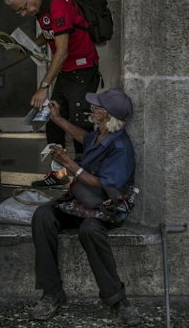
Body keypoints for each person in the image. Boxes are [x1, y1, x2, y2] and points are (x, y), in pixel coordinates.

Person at [30, 88, 140, 326]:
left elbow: (102, 184)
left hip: (104, 208)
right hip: (81, 202)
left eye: (97, 107)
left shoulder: (120, 147)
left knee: (90, 230)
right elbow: (83, 137)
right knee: (43, 215)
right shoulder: (101, 134)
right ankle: (52, 292)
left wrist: (69, 163)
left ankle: (117, 299)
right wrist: (58, 119)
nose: (92, 108)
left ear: (107, 115)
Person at [3, 0, 101, 188]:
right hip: (67, 72)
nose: (23, 14)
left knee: (78, 124)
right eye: (17, 12)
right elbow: (49, 35)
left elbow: (62, 50)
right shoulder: (40, 7)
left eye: (22, 8)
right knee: (53, 120)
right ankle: (59, 175)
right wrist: (28, 45)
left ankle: (85, 176)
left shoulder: (58, 4)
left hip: (83, 70)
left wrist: (43, 86)